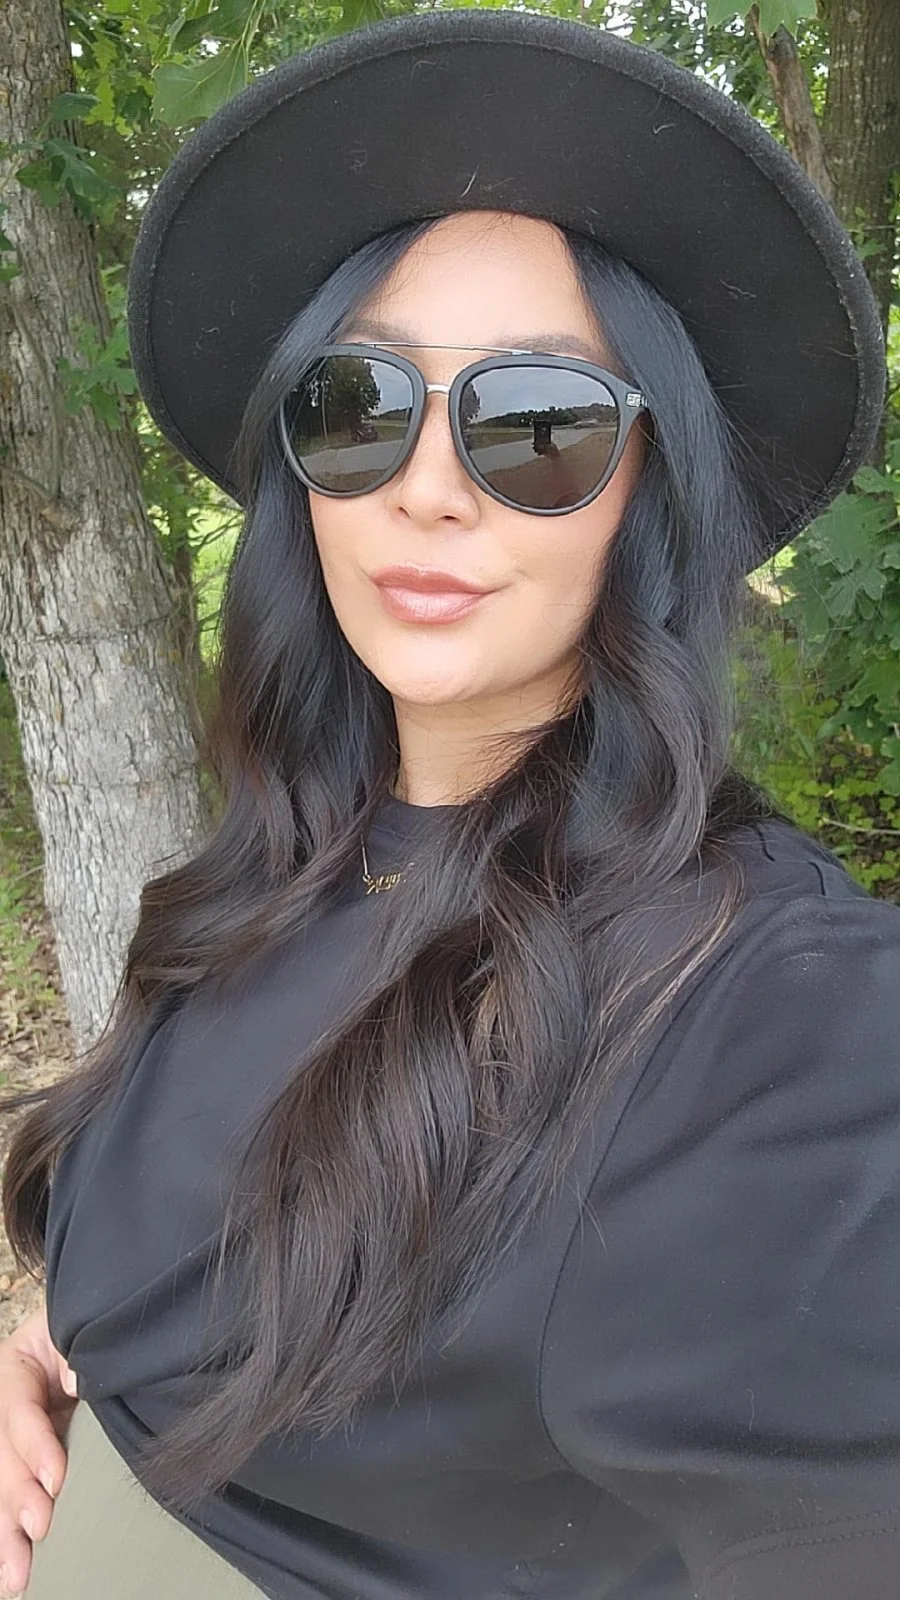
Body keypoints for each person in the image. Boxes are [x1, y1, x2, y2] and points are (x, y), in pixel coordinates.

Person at [0, 10, 897, 1599]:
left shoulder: (771, 1011)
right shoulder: (283, 854)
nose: (427, 482)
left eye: (536, 423)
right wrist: (65, 1336)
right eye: (362, 406)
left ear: (652, 493)